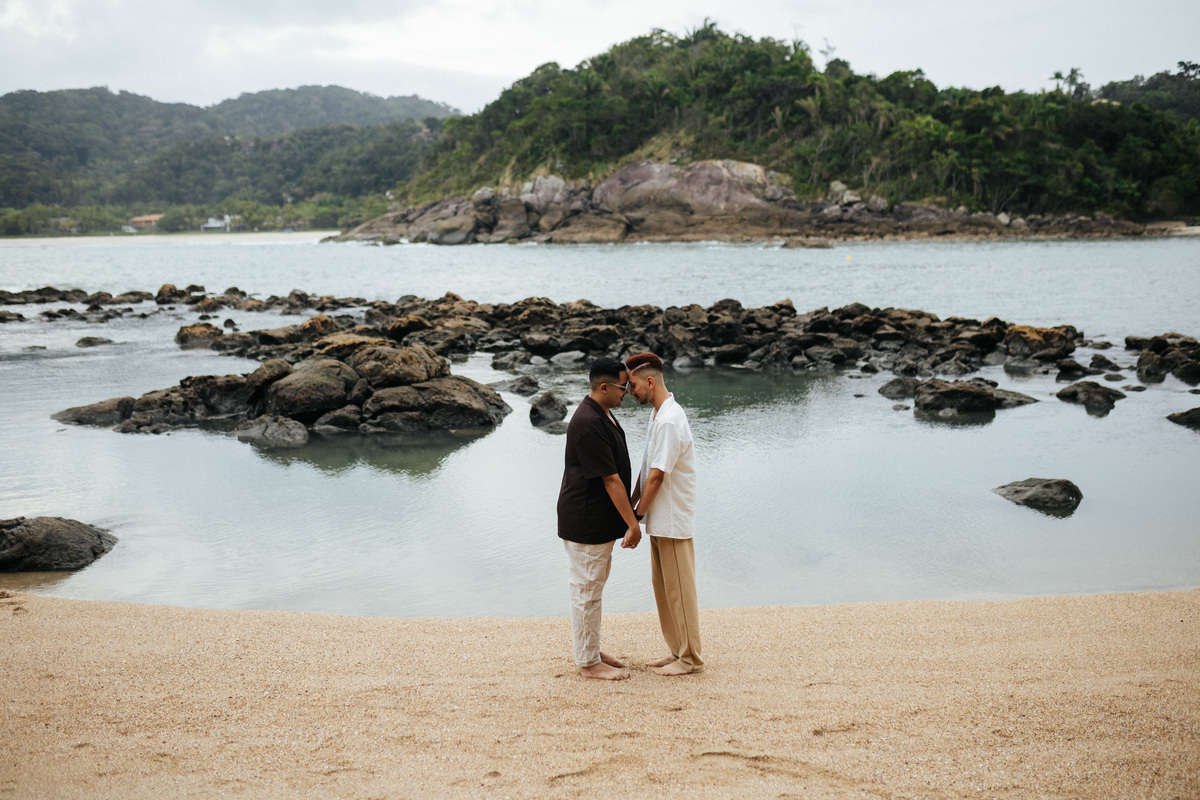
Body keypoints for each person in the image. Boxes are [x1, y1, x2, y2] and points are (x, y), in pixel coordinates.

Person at [557, 357, 643, 680]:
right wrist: (632, 523)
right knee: (586, 591)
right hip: (585, 520)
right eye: (623, 387)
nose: (627, 392)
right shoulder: (588, 422)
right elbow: (610, 479)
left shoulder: (602, 412)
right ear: (604, 387)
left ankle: (590, 649)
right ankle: (588, 663)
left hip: (595, 519)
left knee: (592, 587)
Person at [625, 352, 703, 676]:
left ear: (650, 381)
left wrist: (636, 518)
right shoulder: (658, 414)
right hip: (659, 519)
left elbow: (657, 476)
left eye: (633, 385)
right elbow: (646, 468)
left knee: (680, 592)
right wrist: (631, 510)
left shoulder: (670, 420)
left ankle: (690, 659)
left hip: (672, 520)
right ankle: (676, 651)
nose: (630, 392)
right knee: (664, 590)